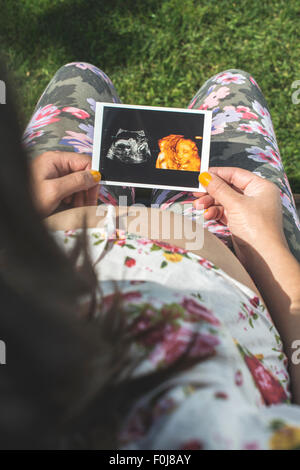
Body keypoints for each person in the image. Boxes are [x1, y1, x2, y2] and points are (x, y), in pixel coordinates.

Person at [0, 60, 300, 450]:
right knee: (232, 84)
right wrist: (266, 246)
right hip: (233, 248)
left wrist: (18, 222)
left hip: (54, 219)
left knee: (80, 75)